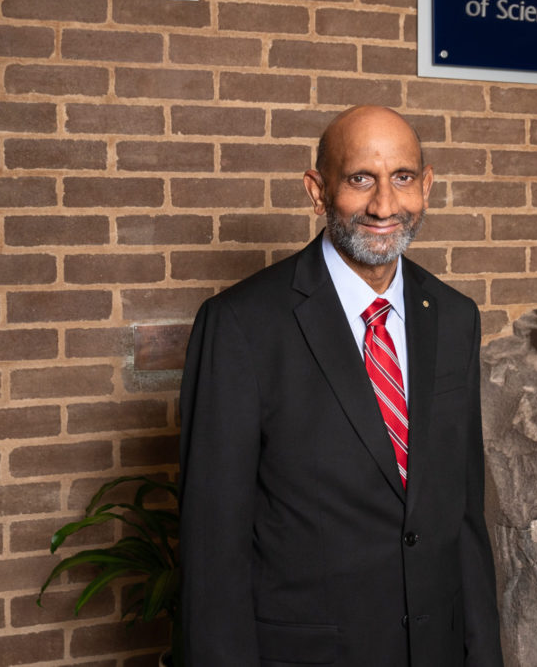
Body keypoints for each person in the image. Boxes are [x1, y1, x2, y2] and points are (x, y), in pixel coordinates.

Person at [178, 105, 503, 666]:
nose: (384, 205)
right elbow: (213, 550)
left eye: (402, 178)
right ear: (317, 189)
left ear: (426, 185)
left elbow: (463, 519)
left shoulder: (454, 318)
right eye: (360, 180)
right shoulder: (241, 325)